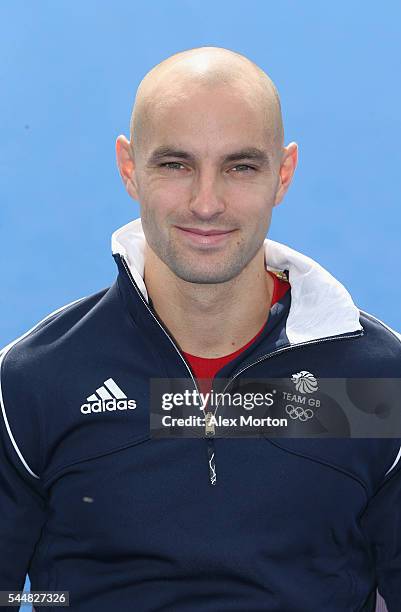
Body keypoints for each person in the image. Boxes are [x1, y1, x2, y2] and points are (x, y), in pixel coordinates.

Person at [0, 46, 400, 612]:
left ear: (282, 174)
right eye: (175, 164)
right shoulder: (33, 383)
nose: (206, 203)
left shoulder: (379, 384)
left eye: (240, 166)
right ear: (129, 167)